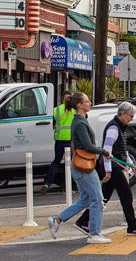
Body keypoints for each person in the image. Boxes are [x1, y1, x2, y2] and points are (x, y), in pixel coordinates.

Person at [73, 102, 136, 237]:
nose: (132, 119)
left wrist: (131, 164)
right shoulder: (114, 128)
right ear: (123, 114)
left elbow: (122, 149)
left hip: (115, 165)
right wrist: (108, 171)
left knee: (104, 196)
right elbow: (107, 150)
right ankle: (132, 226)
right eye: (131, 116)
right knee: (126, 195)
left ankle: (83, 221)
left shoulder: (120, 127)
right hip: (113, 167)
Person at [47, 93, 113, 244]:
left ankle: (57, 220)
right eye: (87, 101)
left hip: (81, 166)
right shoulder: (79, 123)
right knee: (97, 199)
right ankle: (94, 234)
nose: (89, 103)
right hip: (85, 167)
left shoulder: (80, 120)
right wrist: (104, 152)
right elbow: (87, 145)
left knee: (85, 199)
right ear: (79, 105)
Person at [41, 91, 73, 195]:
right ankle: (66, 187)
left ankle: (47, 183)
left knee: (56, 162)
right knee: (69, 165)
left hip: (59, 140)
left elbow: (52, 125)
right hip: (70, 140)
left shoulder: (56, 110)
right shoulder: (74, 110)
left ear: (61, 98)